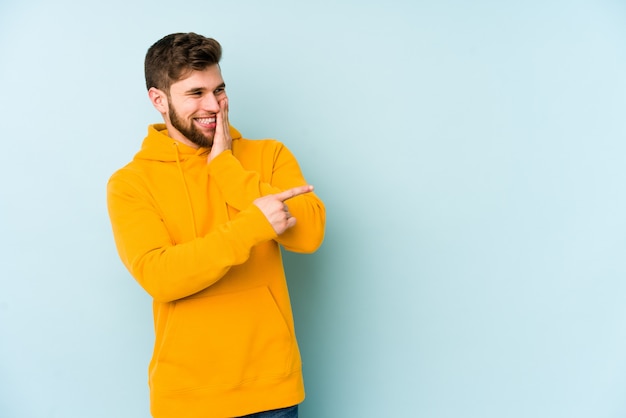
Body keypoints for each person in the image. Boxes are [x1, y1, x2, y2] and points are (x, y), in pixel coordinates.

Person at [106, 32, 325, 418]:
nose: (214, 105)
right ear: (159, 100)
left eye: (219, 89)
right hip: (187, 399)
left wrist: (227, 169)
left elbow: (308, 236)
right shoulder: (131, 183)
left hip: (272, 391)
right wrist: (253, 225)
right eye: (196, 93)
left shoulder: (267, 155)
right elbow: (160, 276)